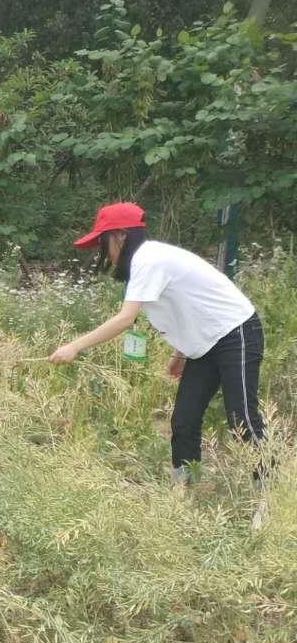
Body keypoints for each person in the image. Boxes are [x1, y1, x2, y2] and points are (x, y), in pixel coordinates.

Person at [49, 202, 266, 490]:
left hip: (236, 332)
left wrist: (74, 346)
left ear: (121, 235)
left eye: (103, 242)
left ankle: (268, 493)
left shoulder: (148, 259)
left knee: (242, 418)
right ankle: (182, 491)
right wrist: (181, 353)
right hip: (204, 346)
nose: (104, 252)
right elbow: (186, 305)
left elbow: (125, 319)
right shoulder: (147, 260)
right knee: (184, 421)